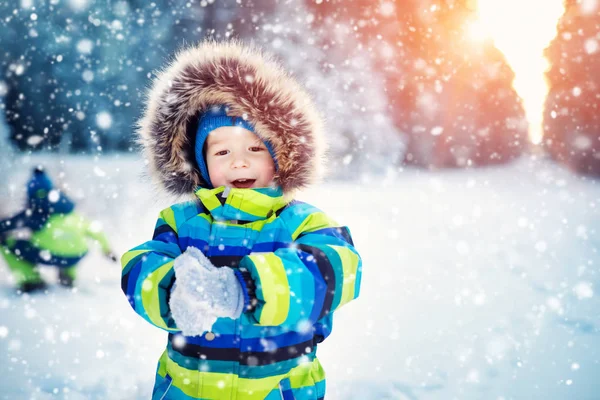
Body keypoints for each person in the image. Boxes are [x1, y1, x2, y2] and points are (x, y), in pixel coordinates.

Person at [121, 40, 362, 400]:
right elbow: (138, 268)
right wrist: (173, 291)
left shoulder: (302, 222)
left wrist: (246, 288)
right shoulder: (181, 223)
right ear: (201, 163)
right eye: (222, 151)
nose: (239, 162)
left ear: (280, 156)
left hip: (279, 389)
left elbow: (339, 271)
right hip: (189, 390)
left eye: (254, 148)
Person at [0, 166, 117, 292]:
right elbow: (95, 230)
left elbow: (6, 226)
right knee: (70, 242)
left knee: (6, 243)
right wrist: (107, 249)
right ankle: (68, 276)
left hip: (50, 253)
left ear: (30, 192)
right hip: (76, 254)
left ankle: (31, 280)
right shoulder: (69, 210)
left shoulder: (35, 210)